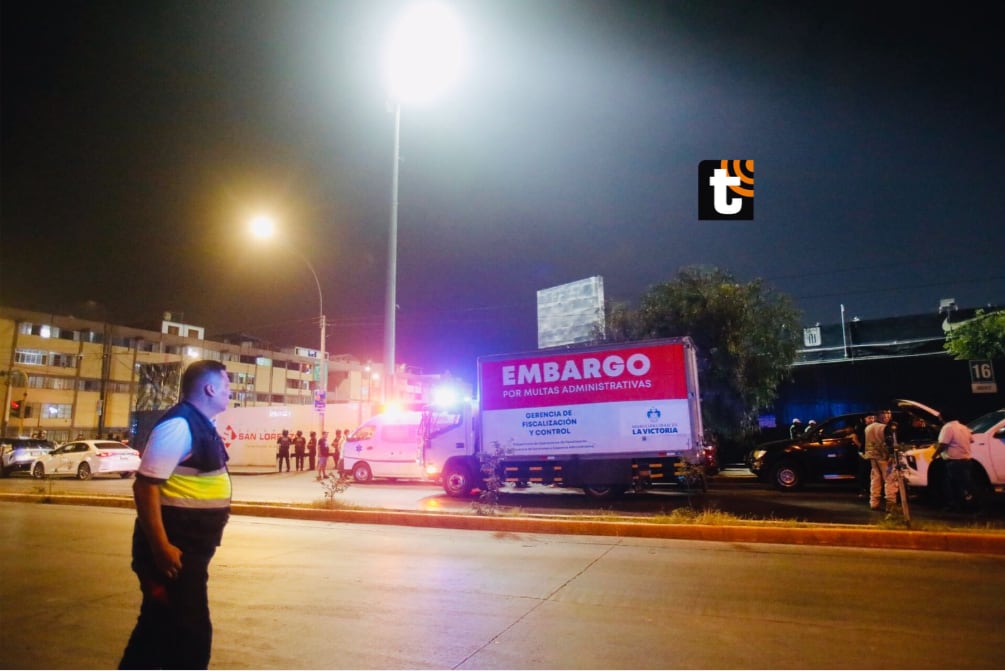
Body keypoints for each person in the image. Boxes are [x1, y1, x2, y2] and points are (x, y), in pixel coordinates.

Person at [119, 359, 232, 669]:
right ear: (210, 388)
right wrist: (161, 547)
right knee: (188, 638)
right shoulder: (179, 425)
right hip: (173, 557)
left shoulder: (201, 424)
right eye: (226, 386)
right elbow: (145, 488)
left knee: (158, 631)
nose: (230, 392)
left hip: (189, 554)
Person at [932, 409, 974, 512]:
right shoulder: (963, 427)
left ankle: (954, 507)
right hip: (967, 460)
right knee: (965, 485)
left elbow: (943, 444)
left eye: (940, 417)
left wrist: (934, 454)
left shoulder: (947, 427)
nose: (939, 419)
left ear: (944, 417)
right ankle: (969, 506)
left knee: (951, 486)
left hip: (954, 462)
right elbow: (971, 440)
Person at [864, 408, 899, 515]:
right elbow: (890, 443)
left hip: (872, 456)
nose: (887, 416)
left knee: (875, 478)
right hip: (885, 457)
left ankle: (874, 502)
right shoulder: (885, 428)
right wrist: (892, 455)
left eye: (888, 413)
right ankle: (891, 504)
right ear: (878, 416)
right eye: (884, 413)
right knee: (890, 479)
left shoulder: (868, 428)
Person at [853, 412, 876, 498]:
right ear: (865, 419)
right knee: (864, 471)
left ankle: (870, 489)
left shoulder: (874, 427)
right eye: (869, 418)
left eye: (873, 418)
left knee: (872, 471)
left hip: (873, 452)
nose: (872, 420)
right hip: (864, 452)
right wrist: (862, 448)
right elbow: (855, 439)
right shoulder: (860, 427)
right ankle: (862, 489)